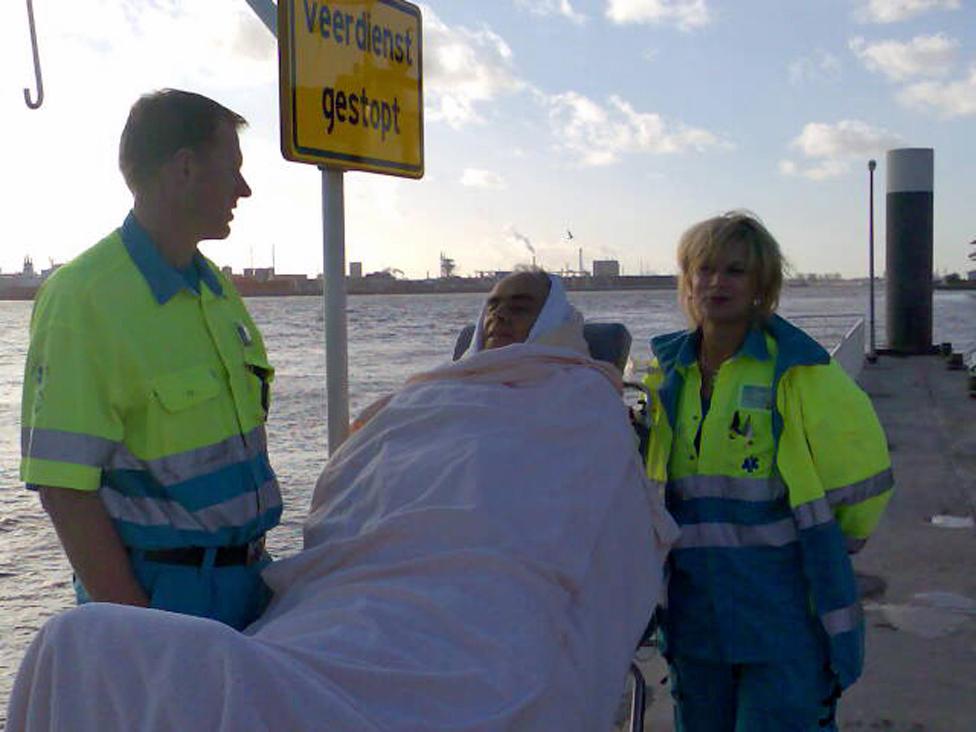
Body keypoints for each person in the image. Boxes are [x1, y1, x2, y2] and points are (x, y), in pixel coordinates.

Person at [8, 272, 679, 732]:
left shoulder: (582, 402)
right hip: (362, 587)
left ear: (558, 319)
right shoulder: (419, 398)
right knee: (84, 639)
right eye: (495, 304)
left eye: (523, 304)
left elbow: (595, 516)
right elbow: (347, 497)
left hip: (488, 593)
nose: (502, 315)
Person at [19, 89, 281, 630]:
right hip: (164, 603)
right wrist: (140, 636)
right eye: (232, 169)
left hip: (254, 584)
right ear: (184, 168)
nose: (245, 189)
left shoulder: (215, 291)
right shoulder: (84, 299)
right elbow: (65, 490)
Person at [641, 211, 893, 730]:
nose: (716, 282)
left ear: (762, 286)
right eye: (705, 269)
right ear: (687, 280)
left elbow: (861, 490)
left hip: (784, 620)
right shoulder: (666, 378)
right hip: (695, 619)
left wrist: (826, 549)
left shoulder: (800, 375)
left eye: (734, 271)